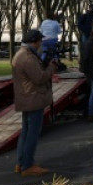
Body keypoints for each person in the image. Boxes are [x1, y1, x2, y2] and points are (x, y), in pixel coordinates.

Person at [12, 29, 58, 177]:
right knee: (32, 133)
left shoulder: (23, 54)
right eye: (40, 41)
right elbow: (39, 78)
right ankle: (28, 164)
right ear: (35, 41)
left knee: (26, 132)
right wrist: (52, 67)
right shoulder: (28, 57)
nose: (41, 44)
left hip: (26, 97)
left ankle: (21, 162)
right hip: (32, 98)